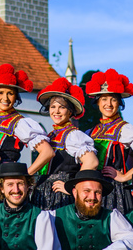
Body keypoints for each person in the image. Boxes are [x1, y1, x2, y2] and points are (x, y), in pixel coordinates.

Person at [0, 65, 54, 200]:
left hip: (6, 183)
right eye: (0, 93)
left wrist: (24, 175)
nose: (5, 98)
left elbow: (47, 152)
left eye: (10, 93)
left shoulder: (20, 123)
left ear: (16, 97)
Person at [84, 69, 133, 213]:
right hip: (93, 190)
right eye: (104, 99)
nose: (109, 104)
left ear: (119, 103)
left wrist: (124, 177)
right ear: (97, 102)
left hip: (114, 191)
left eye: (113, 99)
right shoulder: (90, 132)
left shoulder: (125, 129)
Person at [31, 79, 98, 210]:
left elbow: (92, 162)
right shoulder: (51, 135)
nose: (56, 111)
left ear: (70, 112)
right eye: (53, 107)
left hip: (61, 194)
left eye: (62, 107)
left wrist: (72, 187)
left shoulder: (74, 135)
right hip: (43, 192)